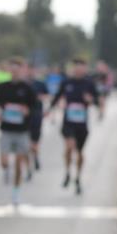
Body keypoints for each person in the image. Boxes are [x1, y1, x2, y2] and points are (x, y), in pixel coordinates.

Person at [0, 57, 38, 205]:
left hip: (22, 131)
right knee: (4, 161)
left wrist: (27, 111)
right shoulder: (2, 87)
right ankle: (6, 170)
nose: (15, 71)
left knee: (19, 163)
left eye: (18, 69)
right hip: (6, 129)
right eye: (12, 68)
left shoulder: (28, 88)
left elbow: (35, 108)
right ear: (9, 70)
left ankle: (16, 192)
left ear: (22, 70)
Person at [47, 57, 99, 195]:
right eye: (76, 66)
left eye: (81, 66)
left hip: (82, 124)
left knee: (80, 152)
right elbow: (57, 97)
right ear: (73, 68)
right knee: (69, 146)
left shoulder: (89, 84)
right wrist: (50, 110)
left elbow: (97, 100)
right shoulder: (66, 82)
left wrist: (92, 100)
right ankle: (67, 172)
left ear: (85, 69)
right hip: (68, 122)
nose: (78, 69)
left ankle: (78, 178)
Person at [27, 67, 50, 175]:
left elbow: (48, 96)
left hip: (37, 115)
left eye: (31, 70)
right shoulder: (23, 84)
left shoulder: (40, 84)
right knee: (25, 142)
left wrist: (42, 97)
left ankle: (35, 156)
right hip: (24, 117)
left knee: (34, 141)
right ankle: (28, 166)